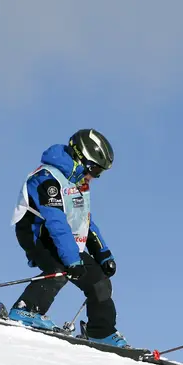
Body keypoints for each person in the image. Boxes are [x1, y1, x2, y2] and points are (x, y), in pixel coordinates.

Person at [10, 129, 127, 347]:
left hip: (65, 240)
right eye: (95, 170)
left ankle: (101, 331)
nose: (95, 176)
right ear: (80, 158)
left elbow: (84, 220)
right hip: (37, 233)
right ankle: (26, 309)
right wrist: (73, 260)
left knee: (99, 281)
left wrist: (103, 254)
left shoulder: (78, 182)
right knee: (60, 270)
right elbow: (56, 223)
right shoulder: (47, 179)